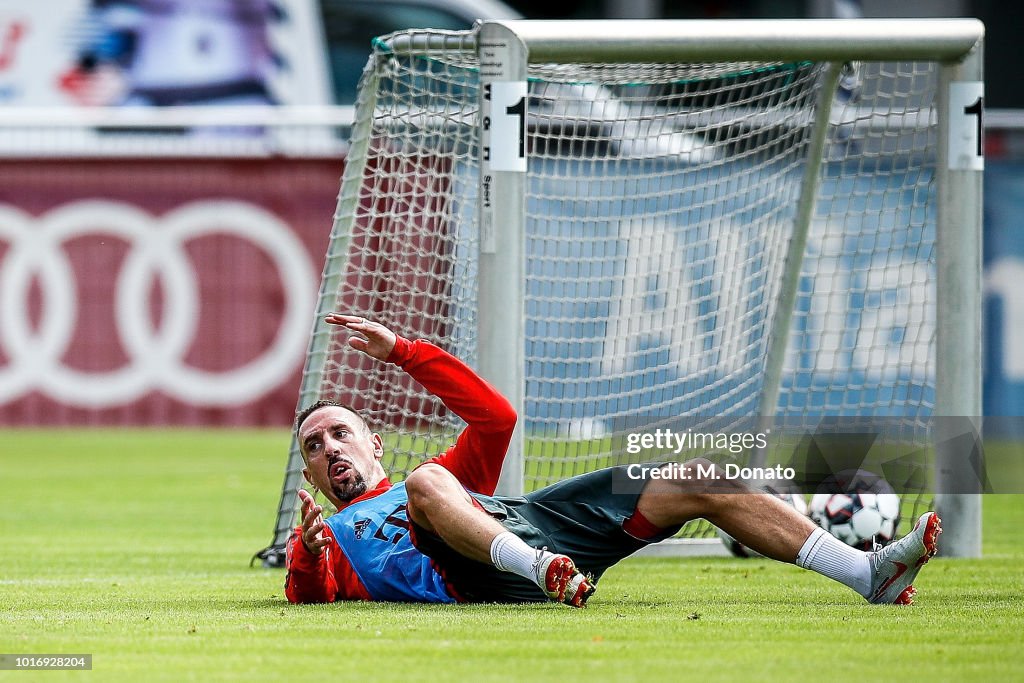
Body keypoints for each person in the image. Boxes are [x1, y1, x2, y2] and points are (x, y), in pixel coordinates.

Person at [285, 314, 941, 607]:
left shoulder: (451, 485)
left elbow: (499, 417)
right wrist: (309, 553)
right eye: (313, 447)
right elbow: (310, 594)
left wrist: (404, 350)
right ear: (310, 476)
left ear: (373, 442)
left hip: (527, 525)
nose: (330, 448)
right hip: (479, 573)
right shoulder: (330, 536)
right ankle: (539, 570)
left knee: (699, 474)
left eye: (339, 432)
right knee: (432, 479)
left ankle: (866, 571)